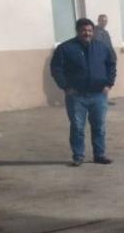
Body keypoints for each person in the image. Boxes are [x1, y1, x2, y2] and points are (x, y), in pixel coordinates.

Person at [50, 17, 116, 166]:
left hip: (99, 95)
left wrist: (109, 84)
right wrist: (65, 86)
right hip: (76, 96)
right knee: (77, 127)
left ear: (93, 31)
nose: (87, 33)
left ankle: (99, 155)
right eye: (84, 30)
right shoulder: (65, 48)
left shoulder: (101, 47)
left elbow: (111, 65)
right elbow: (56, 69)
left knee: (99, 126)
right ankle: (78, 156)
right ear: (77, 31)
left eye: (90, 30)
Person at [94, 15, 117, 105]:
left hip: (107, 58)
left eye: (105, 21)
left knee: (107, 78)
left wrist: (113, 55)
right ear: (98, 21)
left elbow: (109, 45)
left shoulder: (106, 32)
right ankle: (100, 99)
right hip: (98, 59)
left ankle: (105, 98)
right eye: (102, 20)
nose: (104, 23)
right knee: (100, 78)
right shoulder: (94, 31)